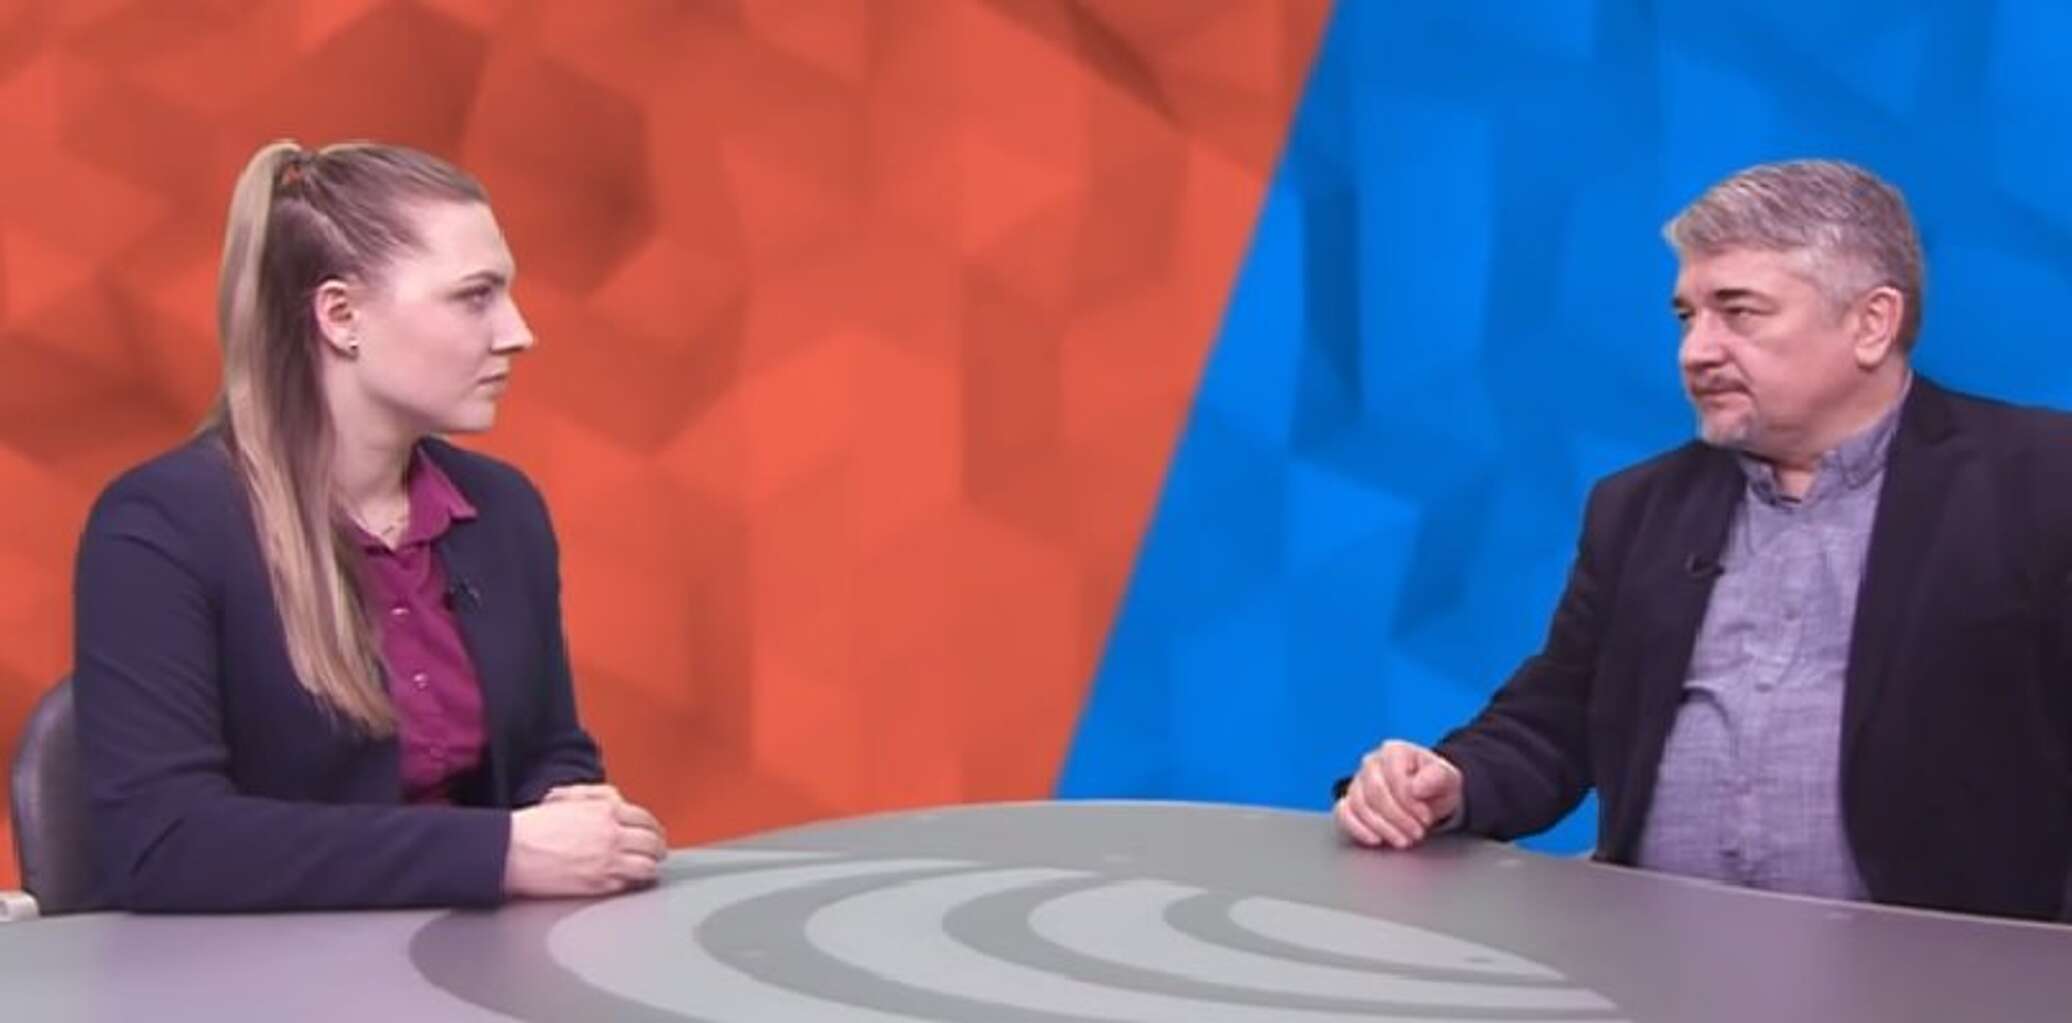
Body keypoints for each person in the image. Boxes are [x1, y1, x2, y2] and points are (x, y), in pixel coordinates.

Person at [1334, 159, 2072, 922]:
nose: (1696, 351)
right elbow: (1558, 715)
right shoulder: (1639, 508)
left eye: (1738, 312)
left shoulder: (2044, 485)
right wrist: (1450, 781)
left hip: (1944, 972)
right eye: (1688, 317)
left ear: (1871, 323)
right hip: (1655, 961)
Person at [73, 140, 668, 912]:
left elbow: (550, 749)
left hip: (473, 953)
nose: (518, 332)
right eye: (475, 296)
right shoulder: (159, 529)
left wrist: (572, 809)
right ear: (341, 316)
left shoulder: (503, 510)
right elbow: (166, 843)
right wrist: (502, 853)